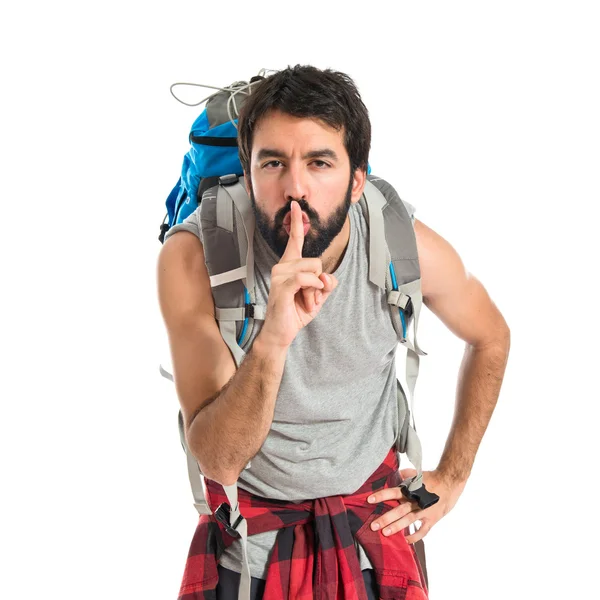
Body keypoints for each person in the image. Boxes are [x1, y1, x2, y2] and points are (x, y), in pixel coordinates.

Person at [157, 65, 511, 599]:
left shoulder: (402, 246)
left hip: (372, 531)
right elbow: (219, 460)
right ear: (249, 171)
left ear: (357, 177)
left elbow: (491, 336)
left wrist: (451, 478)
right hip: (250, 544)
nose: (294, 188)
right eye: (272, 163)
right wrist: (274, 336)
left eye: (319, 162)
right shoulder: (194, 257)